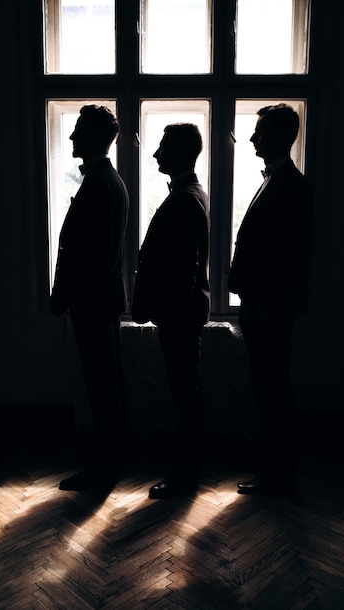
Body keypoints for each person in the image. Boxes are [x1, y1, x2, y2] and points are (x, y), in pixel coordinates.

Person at [228, 103, 313, 495]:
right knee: (267, 387)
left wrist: (263, 307)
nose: (251, 138)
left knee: (274, 389)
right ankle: (271, 462)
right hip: (262, 307)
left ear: (281, 136)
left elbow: (290, 258)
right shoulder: (277, 181)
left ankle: (279, 472)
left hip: (270, 310)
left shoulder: (293, 186)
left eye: (259, 131)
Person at [49, 104, 130, 491]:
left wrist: (64, 296)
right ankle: (109, 460)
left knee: (101, 386)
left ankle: (104, 467)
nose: (71, 137)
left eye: (78, 129)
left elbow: (87, 255)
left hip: (92, 303)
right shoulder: (109, 181)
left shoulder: (98, 185)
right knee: (105, 383)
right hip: (102, 301)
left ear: (95, 137)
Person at [131, 123, 210, 499]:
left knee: (185, 394)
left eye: (161, 146)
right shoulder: (193, 193)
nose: (155, 153)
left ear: (179, 152)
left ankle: (185, 475)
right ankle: (186, 468)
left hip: (179, 317)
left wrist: (168, 312)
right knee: (185, 392)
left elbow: (184, 268)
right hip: (183, 314)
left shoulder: (183, 199)